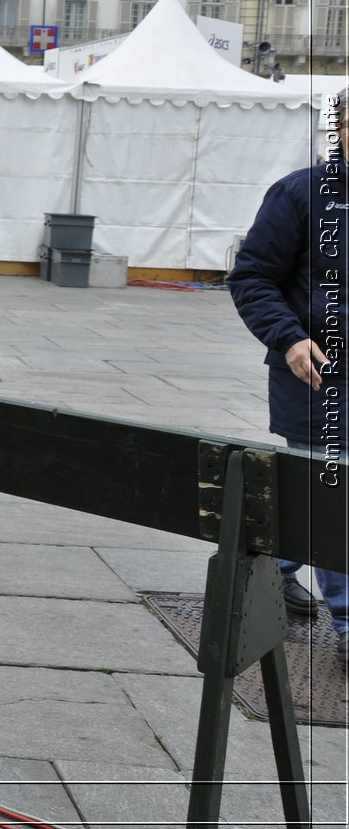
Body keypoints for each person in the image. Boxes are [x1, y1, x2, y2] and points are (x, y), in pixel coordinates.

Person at [228, 103, 349, 666]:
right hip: (316, 375)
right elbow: (252, 275)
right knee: (334, 495)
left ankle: (271, 567)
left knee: (312, 496)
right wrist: (289, 337)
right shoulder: (301, 194)